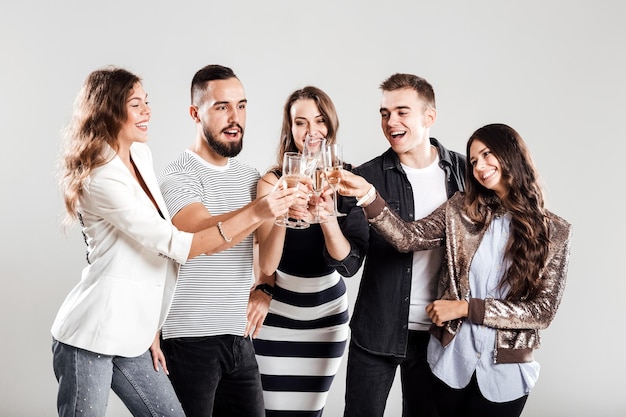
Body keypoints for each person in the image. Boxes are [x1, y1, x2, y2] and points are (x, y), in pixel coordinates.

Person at [50, 67, 294, 417]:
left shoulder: (140, 156)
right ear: (108, 110)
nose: (148, 111)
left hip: (134, 333)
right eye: (136, 104)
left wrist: (152, 327)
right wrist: (261, 209)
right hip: (90, 335)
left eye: (146, 102)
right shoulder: (101, 179)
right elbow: (176, 244)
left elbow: (153, 261)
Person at [338, 123, 572, 417]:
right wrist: (370, 197)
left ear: (511, 154)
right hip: (450, 362)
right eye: (473, 161)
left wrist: (465, 308)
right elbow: (408, 238)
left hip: (506, 372)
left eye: (487, 155)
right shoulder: (462, 208)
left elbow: (542, 311)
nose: (480, 167)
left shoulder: (556, 232)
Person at [157, 64, 294, 417]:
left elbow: (267, 263)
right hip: (189, 340)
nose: (235, 118)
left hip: (239, 339)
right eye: (222, 107)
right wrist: (263, 207)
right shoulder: (177, 176)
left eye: (242, 106)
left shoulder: (251, 177)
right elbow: (200, 234)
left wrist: (284, 211)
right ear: (195, 113)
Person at [330, 73, 467, 417]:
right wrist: (326, 218)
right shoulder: (367, 177)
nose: (391, 122)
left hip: (440, 337)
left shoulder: (464, 176)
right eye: (384, 113)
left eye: (402, 112)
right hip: (376, 332)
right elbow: (349, 265)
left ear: (429, 117)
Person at [252, 86, 368, 416]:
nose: (311, 131)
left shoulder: (346, 179)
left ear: (330, 126)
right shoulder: (272, 181)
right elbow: (268, 263)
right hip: (277, 315)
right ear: (289, 128)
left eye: (319, 121)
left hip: (327, 317)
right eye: (300, 122)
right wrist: (281, 213)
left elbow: (348, 266)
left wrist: (328, 218)